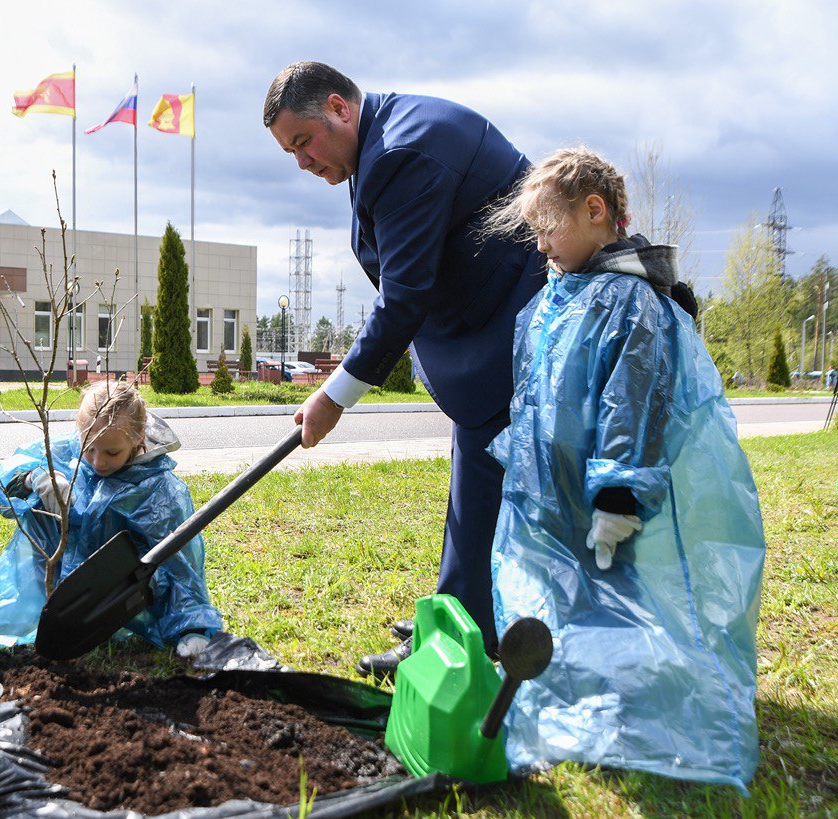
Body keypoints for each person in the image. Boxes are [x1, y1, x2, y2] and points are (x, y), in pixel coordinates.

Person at [484, 147, 765, 790]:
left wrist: (619, 493)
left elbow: (632, 404)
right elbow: (536, 395)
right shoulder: (559, 298)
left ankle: (629, 710)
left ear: (595, 211)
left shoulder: (629, 302)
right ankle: (575, 702)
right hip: (553, 491)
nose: (541, 244)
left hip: (605, 496)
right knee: (564, 597)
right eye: (533, 231)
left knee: (618, 596)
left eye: (548, 226)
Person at [263, 61, 544, 675]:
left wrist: (333, 396)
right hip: (488, 316)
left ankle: (460, 634)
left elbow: (404, 294)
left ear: (339, 107)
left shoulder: (399, 152)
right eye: (291, 152)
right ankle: (463, 607)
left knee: (483, 468)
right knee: (477, 468)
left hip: (515, 318)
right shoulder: (383, 143)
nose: (302, 163)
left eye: (303, 142)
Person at [0, 381, 222, 661]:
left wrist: (191, 626)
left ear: (137, 440)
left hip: (120, 604)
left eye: (111, 452)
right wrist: (32, 478)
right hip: (41, 587)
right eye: (89, 447)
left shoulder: (158, 490)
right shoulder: (61, 452)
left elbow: (182, 566)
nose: (97, 460)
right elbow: (3, 488)